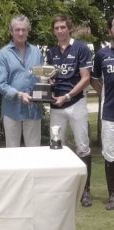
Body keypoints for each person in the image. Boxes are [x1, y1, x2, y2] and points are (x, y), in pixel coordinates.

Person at [46, 15, 93, 207]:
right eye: (56, 28)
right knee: (57, 147)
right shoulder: (51, 52)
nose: (60, 31)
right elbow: (50, 77)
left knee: (83, 147)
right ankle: (61, 190)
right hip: (56, 106)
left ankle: (85, 191)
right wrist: (48, 82)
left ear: (69, 29)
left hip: (76, 103)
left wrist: (67, 96)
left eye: (63, 27)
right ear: (53, 31)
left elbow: (86, 78)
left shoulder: (81, 48)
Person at [0, 15, 43, 147]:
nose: (20, 33)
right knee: (12, 151)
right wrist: (19, 94)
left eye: (24, 29)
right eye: (17, 30)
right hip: (12, 108)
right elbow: (1, 84)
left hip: (33, 107)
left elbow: (40, 78)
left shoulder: (36, 52)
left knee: (34, 150)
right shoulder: (3, 54)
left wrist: (48, 83)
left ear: (28, 31)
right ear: (11, 31)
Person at [91, 16, 114, 210]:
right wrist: (104, 94)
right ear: (110, 31)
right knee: (110, 156)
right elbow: (93, 78)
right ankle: (112, 196)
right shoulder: (101, 54)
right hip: (109, 114)